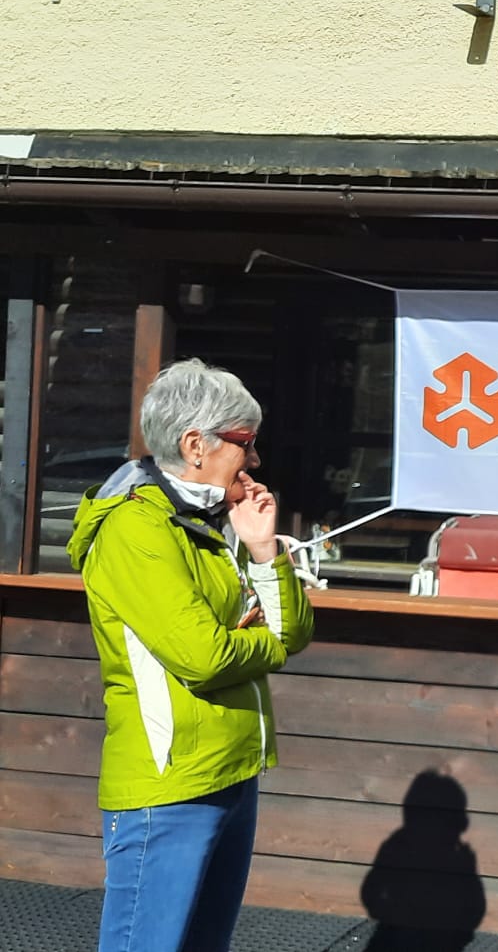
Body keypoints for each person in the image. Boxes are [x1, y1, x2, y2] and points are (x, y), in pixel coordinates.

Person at [68, 358, 315, 952]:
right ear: (195, 445)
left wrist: (264, 549)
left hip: (233, 768)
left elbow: (296, 630)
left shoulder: (213, 520)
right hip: (169, 784)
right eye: (245, 442)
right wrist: (265, 642)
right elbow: (204, 656)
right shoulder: (135, 528)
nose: (255, 459)